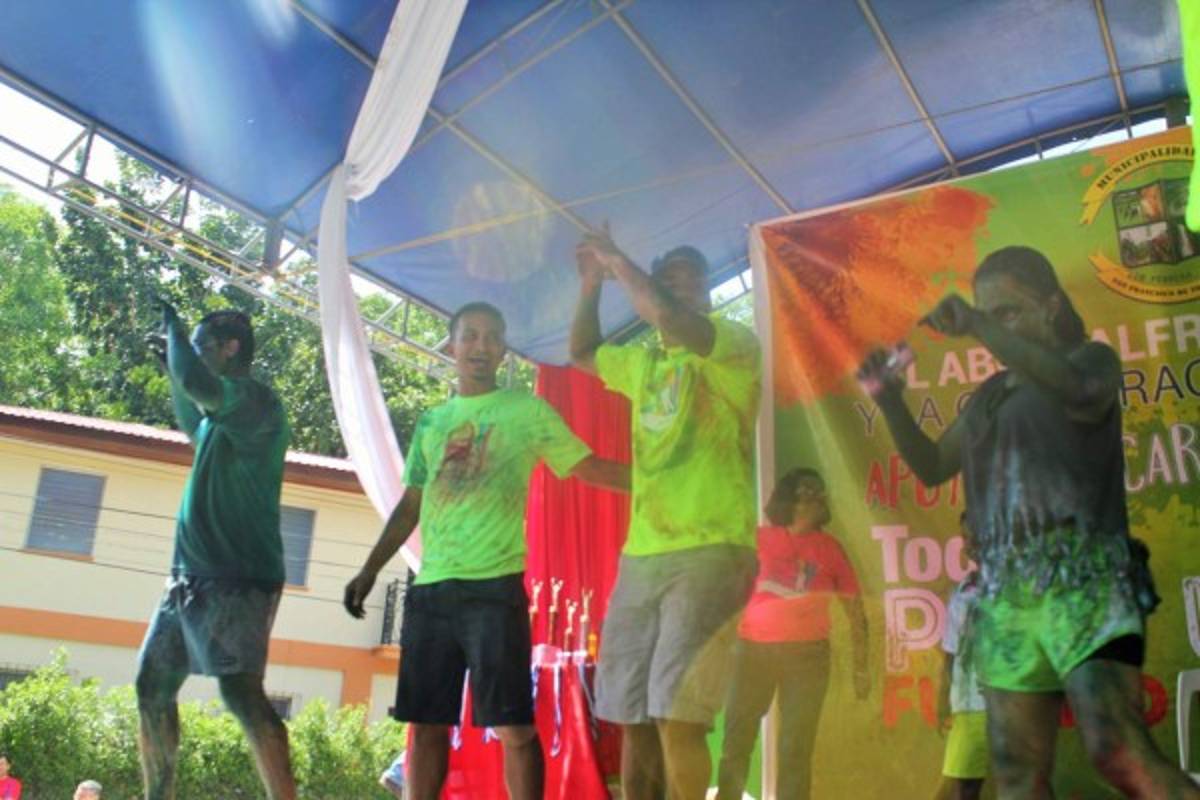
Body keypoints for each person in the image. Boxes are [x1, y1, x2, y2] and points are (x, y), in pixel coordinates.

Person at [857, 245, 1198, 799]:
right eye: (986, 312)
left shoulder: (1091, 361)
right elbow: (931, 466)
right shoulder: (989, 396)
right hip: (1007, 596)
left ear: (1052, 305)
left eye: (1007, 311)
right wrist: (890, 400)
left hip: (1087, 586)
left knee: (1118, 753)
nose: (994, 325)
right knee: (1015, 775)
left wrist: (977, 325)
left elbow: (1078, 389)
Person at [343, 302, 629, 800]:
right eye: (470, 336)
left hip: (494, 590)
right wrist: (369, 568)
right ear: (451, 346)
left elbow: (586, 466)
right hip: (432, 590)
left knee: (513, 726)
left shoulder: (527, 411)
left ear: (502, 350)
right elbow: (411, 504)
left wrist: (657, 481)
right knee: (426, 726)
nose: (480, 346)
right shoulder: (433, 423)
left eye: (491, 337)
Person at [570, 233, 761, 800]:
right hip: (643, 556)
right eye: (668, 276)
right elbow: (582, 352)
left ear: (706, 291)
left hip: (713, 549)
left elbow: (673, 320)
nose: (679, 285)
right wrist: (589, 285)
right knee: (630, 711)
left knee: (678, 714)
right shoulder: (644, 364)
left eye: (690, 277)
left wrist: (618, 260)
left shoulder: (732, 345)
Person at [138, 305, 296, 800]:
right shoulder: (217, 419)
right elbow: (192, 412)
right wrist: (175, 365)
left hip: (238, 578)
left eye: (207, 345)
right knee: (151, 687)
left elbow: (198, 385)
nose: (198, 355)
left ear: (231, 349)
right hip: (188, 579)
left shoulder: (256, 405)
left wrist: (175, 329)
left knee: (240, 692)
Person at [716, 468, 869, 800]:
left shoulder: (830, 549)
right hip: (752, 650)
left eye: (821, 490)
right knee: (736, 741)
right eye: (808, 490)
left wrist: (861, 667)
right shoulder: (756, 538)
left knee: (795, 749)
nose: (818, 496)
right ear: (790, 498)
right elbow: (726, 594)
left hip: (808, 658)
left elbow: (856, 611)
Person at [936, 559, 987, 800]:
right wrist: (942, 698)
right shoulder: (962, 592)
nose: (971, 545)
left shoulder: (1018, 585)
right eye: (966, 537)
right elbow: (950, 651)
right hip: (971, 705)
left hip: (1011, 702)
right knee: (962, 787)